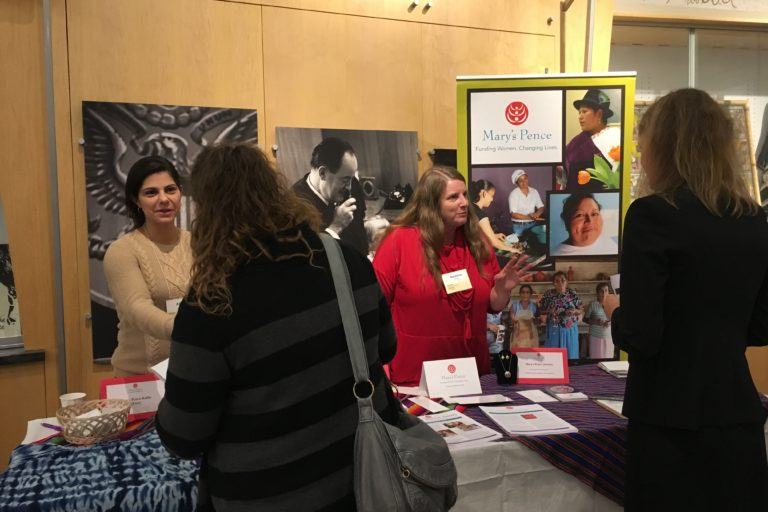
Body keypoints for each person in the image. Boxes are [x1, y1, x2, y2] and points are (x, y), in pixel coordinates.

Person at [156, 142, 398, 512]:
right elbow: (385, 349)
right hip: (361, 486)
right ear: (275, 192)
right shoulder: (348, 262)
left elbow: (184, 436)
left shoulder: (212, 301)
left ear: (206, 212)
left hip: (266, 495)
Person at [611, 88, 768, 511]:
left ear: (661, 146)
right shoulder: (754, 219)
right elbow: (761, 325)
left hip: (668, 420)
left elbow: (642, 334)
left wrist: (616, 315)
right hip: (737, 412)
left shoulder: (652, 215)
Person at [373, 166, 532, 385]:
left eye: (465, 195)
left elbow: (493, 305)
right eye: (453, 197)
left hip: (472, 374)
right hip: (417, 378)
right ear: (431, 204)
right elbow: (375, 310)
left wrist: (502, 289)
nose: (464, 202)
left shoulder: (477, 243)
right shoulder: (398, 241)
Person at [103, 156, 191, 376]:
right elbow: (137, 309)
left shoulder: (201, 244)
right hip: (138, 381)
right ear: (136, 200)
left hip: (191, 373)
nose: (164, 199)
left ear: (180, 193)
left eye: (170, 190)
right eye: (151, 193)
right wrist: (192, 330)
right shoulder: (122, 250)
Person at [292, 137, 368, 255]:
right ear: (323, 173)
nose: (349, 187)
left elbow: (360, 231)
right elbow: (309, 260)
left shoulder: (352, 183)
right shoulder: (293, 205)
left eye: (351, 178)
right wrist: (336, 226)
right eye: (345, 180)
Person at [565, 89, 621, 192]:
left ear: (599, 114)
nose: (580, 117)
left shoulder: (615, 137)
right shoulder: (576, 142)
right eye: (579, 112)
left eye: (584, 112)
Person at [552, 192, 618, 256]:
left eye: (594, 214)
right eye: (580, 215)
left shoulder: (609, 242)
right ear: (566, 222)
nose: (589, 220)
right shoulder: (557, 256)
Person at [539, 271, 582, 359]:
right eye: (557, 281)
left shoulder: (572, 293)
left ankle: (570, 371)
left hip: (569, 329)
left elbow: (581, 309)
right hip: (554, 329)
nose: (560, 283)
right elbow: (541, 310)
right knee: (554, 355)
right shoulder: (548, 294)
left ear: (567, 282)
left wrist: (574, 311)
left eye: (563, 280)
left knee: (570, 355)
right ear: (553, 283)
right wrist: (549, 311)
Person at [469, 179, 519, 253]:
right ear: (484, 193)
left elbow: (475, 235)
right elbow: (494, 243)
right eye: (492, 196)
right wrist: (513, 249)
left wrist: (494, 235)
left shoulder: (471, 208)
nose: (492, 199)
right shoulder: (481, 215)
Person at [507, 169, 545, 236]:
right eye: (521, 181)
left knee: (533, 243)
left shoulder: (534, 191)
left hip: (533, 225)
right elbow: (513, 214)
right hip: (519, 227)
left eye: (525, 178)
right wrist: (529, 217)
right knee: (519, 245)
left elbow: (541, 206)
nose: (524, 182)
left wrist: (537, 214)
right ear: (516, 183)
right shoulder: (513, 194)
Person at [584, 283, 613, 358]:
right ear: (597, 293)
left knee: (608, 360)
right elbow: (585, 319)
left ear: (609, 292)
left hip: (609, 337)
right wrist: (595, 322)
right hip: (595, 337)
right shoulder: (593, 304)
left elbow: (616, 319)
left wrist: (610, 322)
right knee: (595, 360)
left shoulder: (612, 304)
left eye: (606, 291)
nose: (604, 293)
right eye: (601, 291)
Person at [510, 284, 538, 348]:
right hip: (518, 334)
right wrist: (516, 320)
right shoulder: (514, 305)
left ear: (530, 294)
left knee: (531, 355)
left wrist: (534, 320)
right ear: (520, 294)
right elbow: (512, 319)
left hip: (531, 335)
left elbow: (537, 320)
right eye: (523, 292)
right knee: (517, 355)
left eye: (527, 292)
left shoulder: (534, 306)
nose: (525, 294)